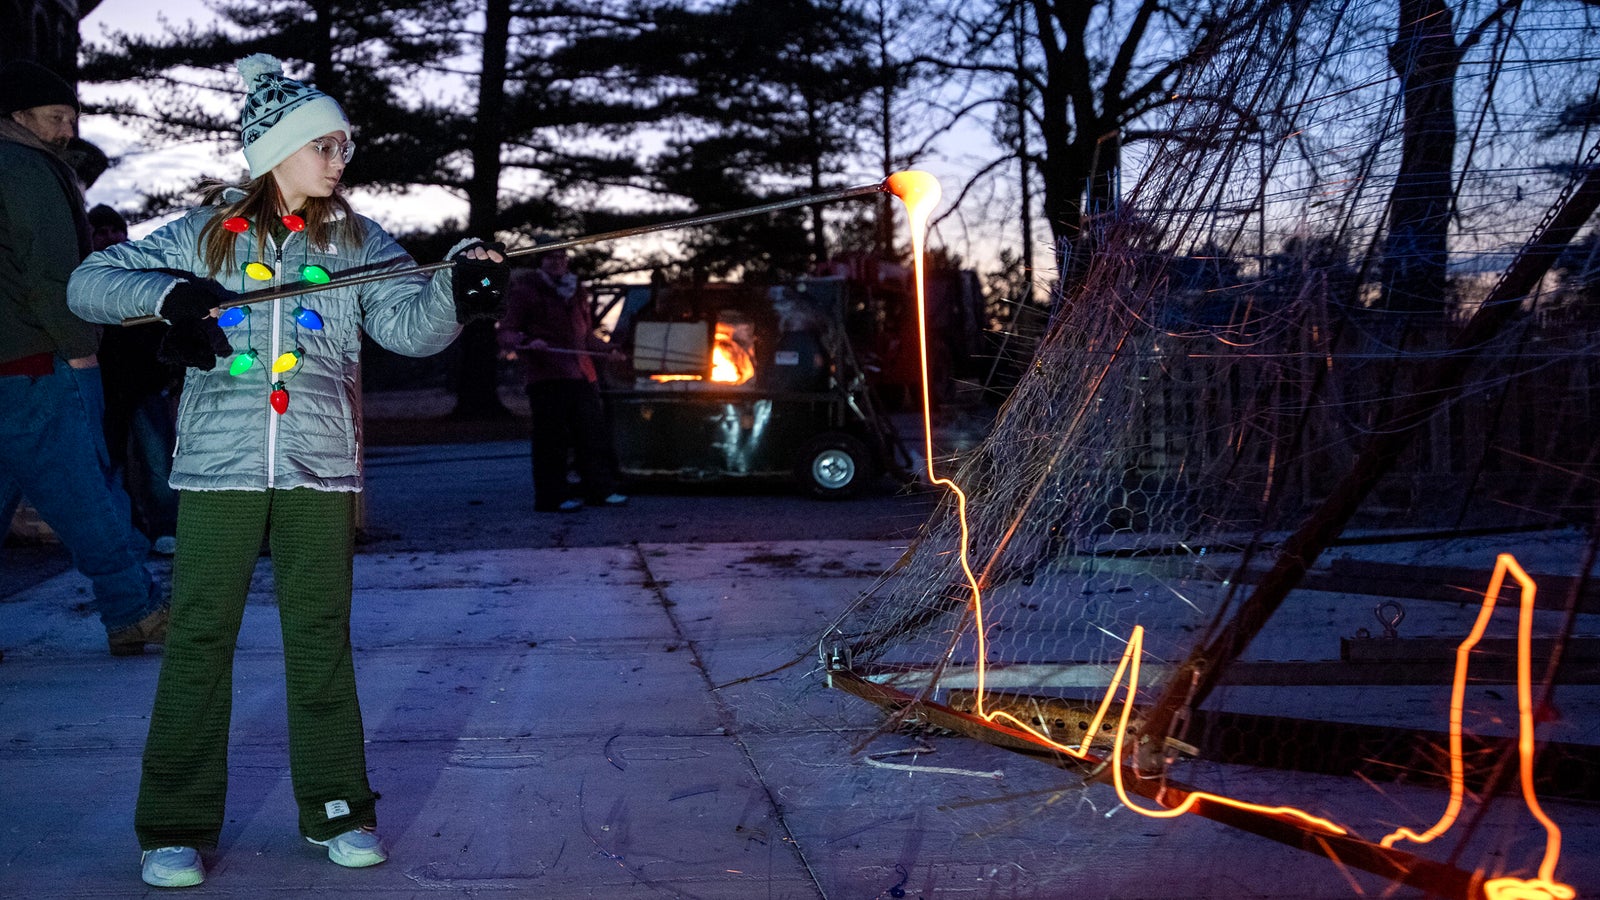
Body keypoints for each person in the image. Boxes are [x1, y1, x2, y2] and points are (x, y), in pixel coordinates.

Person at [67, 54, 508, 889]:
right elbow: (88, 282)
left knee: (319, 641)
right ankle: (172, 824)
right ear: (275, 149)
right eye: (326, 145)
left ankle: (340, 809)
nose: (341, 159)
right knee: (199, 639)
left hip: (319, 469)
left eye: (344, 146)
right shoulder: (201, 233)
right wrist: (169, 297)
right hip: (218, 472)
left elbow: (409, 327)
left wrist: (459, 288)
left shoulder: (358, 241)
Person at [0, 58, 169, 657]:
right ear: (19, 118)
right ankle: (134, 609)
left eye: (72, 117)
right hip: (36, 364)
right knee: (85, 490)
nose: (67, 130)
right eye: (55, 118)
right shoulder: (24, 167)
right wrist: (79, 349)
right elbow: (53, 273)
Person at [496, 247, 628, 512]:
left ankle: (599, 491)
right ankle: (552, 498)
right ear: (541, 262)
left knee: (591, 436)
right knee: (551, 441)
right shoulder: (525, 291)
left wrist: (608, 350)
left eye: (561, 257)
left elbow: (586, 337)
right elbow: (506, 332)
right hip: (547, 377)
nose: (557, 262)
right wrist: (528, 342)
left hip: (582, 375)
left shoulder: (577, 291)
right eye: (550, 257)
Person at [90, 204, 182, 554]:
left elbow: (162, 326)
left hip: (145, 383)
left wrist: (170, 372)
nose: (111, 237)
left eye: (116, 229)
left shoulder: (142, 271)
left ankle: (165, 529)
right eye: (102, 231)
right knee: (111, 465)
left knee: (158, 460)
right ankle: (127, 533)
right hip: (104, 387)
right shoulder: (86, 277)